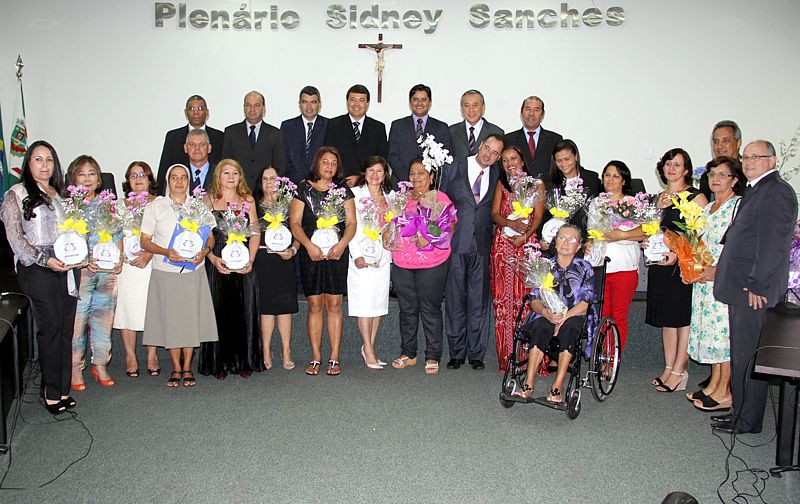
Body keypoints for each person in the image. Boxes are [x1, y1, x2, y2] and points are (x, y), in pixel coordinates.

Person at [713, 141, 797, 434]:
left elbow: (773, 246)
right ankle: (740, 412)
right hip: (742, 288)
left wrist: (757, 285)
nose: (748, 161)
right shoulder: (757, 190)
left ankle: (748, 421)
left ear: (772, 160)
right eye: (745, 157)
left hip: (753, 292)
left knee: (749, 356)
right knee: (742, 355)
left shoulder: (777, 193)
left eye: (755, 157)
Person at [0, 141, 78, 413]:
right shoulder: (17, 193)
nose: (45, 165)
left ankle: (62, 388)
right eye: (38, 159)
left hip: (66, 267)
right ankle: (51, 392)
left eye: (49, 160)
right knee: (51, 328)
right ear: (28, 163)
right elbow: (15, 238)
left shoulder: (60, 195)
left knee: (66, 329)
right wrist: (45, 260)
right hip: (36, 267)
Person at [140, 164, 218, 387]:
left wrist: (204, 252)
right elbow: (144, 240)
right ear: (168, 180)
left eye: (183, 177)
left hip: (193, 270)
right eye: (174, 177)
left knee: (190, 320)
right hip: (166, 270)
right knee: (173, 321)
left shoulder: (198, 206)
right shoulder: (156, 206)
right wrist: (166, 252)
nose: (179, 181)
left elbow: (210, 238)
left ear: (189, 181)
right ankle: (175, 368)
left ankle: (187, 368)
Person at [289, 147, 356, 376]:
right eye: (325, 162)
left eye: (334, 163)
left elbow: (352, 224)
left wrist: (341, 245)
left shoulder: (343, 190)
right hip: (312, 254)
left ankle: (334, 357)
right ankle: (316, 356)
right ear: (317, 163)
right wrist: (309, 246)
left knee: (335, 306)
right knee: (316, 305)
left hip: (337, 254)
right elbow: (295, 224)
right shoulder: (303, 188)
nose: (329, 167)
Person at [646, 148, 708, 393]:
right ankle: (668, 366)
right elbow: (651, 229)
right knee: (667, 321)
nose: (671, 168)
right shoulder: (659, 197)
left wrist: (677, 253)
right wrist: (648, 241)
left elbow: (701, 238)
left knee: (682, 320)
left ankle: (680, 370)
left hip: (682, 266)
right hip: (660, 265)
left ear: (687, 170)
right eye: (668, 163)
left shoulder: (696, 197)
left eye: (677, 164)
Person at [440, 134, 504, 371]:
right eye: (487, 148)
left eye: (495, 152)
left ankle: (476, 353)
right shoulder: (453, 166)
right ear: (480, 145)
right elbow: (440, 201)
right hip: (456, 244)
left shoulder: (498, 174)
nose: (489, 154)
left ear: (498, 157)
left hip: (483, 246)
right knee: (455, 300)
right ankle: (456, 353)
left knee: (479, 301)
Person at [685, 157, 743, 412]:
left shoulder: (737, 207)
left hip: (722, 279)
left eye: (723, 174)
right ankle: (714, 384)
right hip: (703, 280)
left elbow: (739, 249)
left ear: (735, 180)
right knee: (711, 334)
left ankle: (725, 391)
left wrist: (717, 272)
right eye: (712, 174)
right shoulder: (708, 208)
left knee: (724, 336)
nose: (716, 179)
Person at [513, 225, 595, 403]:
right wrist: (545, 312)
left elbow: (586, 302)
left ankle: (558, 385)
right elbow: (534, 299)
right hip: (547, 314)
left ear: (579, 246)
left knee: (570, 329)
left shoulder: (585, 268)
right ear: (555, 243)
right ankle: (529, 382)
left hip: (574, 315)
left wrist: (563, 318)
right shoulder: (544, 266)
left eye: (572, 239)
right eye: (562, 238)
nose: (566, 242)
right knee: (541, 327)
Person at [390, 158, 456, 375]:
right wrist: (386, 234)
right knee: (407, 310)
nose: (416, 177)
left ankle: (433, 355)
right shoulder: (400, 199)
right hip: (402, 262)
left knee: (430, 309)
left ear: (431, 176)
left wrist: (430, 238)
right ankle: (408, 353)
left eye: (421, 173)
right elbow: (391, 223)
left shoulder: (439, 198)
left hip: (431, 262)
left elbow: (450, 226)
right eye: (412, 173)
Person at [199, 159, 262, 379]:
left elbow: (254, 232)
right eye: (226, 173)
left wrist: (251, 259)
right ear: (218, 176)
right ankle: (220, 362)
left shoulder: (248, 200)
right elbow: (202, 235)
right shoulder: (207, 200)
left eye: (235, 173)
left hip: (243, 261)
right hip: (218, 262)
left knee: (243, 312)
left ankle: (243, 361)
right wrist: (213, 258)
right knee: (219, 312)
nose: (231, 177)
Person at [67, 155, 122, 390]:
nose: (87, 179)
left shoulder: (108, 205)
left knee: (103, 320)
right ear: (73, 179)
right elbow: (64, 243)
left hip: (107, 273)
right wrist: (82, 260)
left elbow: (118, 235)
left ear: (99, 179)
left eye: (92, 174)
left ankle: (100, 364)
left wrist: (119, 259)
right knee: (78, 323)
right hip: (82, 272)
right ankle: (75, 368)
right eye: (82, 174)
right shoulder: (69, 207)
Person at [490, 145, 544, 372]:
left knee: (528, 302)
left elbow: (539, 215)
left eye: (513, 158)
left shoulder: (537, 184)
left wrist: (525, 236)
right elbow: (494, 214)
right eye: (504, 160)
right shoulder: (502, 184)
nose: (509, 163)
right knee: (504, 303)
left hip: (527, 247)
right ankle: (508, 357)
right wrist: (510, 223)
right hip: (503, 248)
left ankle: (530, 359)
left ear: (522, 160)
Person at [591, 161, 645, 352]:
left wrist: (620, 235)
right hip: (601, 267)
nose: (610, 179)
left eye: (615, 176)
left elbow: (645, 233)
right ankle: (602, 356)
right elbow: (593, 233)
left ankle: (612, 360)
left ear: (623, 180)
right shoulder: (597, 203)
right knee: (602, 314)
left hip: (625, 269)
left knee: (618, 316)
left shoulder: (633, 203)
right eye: (607, 175)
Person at [113, 161, 159, 377]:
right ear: (127, 181)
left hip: (152, 263)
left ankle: (152, 354)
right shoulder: (118, 206)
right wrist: (121, 255)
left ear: (150, 179)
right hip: (127, 266)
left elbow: (166, 235)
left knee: (153, 309)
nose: (138, 179)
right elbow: (112, 235)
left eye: (143, 175)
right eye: (133, 175)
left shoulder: (160, 204)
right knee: (126, 309)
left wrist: (149, 253)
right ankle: (130, 355)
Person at [348, 156, 392, 369]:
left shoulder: (391, 197)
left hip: (382, 258)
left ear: (385, 174)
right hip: (361, 257)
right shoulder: (355, 195)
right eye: (371, 170)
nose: (375, 175)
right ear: (364, 172)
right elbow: (351, 227)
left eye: (380, 171)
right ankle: (369, 348)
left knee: (378, 304)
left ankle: (369, 347)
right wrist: (356, 254)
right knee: (365, 304)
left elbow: (393, 227)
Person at [253, 166, 299, 370]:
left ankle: (286, 350)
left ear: (281, 182)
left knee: (284, 308)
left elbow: (298, 233)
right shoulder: (253, 205)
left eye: (273, 178)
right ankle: (266, 349)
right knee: (266, 308)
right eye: (265, 178)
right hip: (262, 261)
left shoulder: (289, 205)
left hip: (284, 261)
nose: (269, 182)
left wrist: (294, 250)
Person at [156, 94, 224, 195]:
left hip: (213, 192)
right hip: (181, 193)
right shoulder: (173, 136)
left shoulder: (219, 136)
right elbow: (164, 169)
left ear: (207, 112)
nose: (196, 112)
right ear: (186, 112)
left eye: (200, 108)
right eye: (192, 108)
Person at [387, 84, 452, 187]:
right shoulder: (397, 125)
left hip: (431, 186)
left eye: (424, 99)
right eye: (415, 99)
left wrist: (428, 179)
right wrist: (410, 177)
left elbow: (446, 158)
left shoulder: (441, 127)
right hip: (402, 184)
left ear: (430, 102)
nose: (419, 103)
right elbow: (392, 156)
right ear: (410, 102)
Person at [221, 90, 287, 191]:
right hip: (238, 191)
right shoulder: (231, 132)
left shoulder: (275, 134)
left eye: (257, 105)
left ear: (263, 108)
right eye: (248, 105)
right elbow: (225, 164)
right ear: (244, 108)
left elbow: (279, 167)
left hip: (265, 193)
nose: (252, 109)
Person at [324, 84, 388, 186]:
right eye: (353, 99)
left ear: (367, 103)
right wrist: (343, 180)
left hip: (369, 185)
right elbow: (329, 156)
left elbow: (382, 161)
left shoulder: (378, 128)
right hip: (340, 184)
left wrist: (361, 178)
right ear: (347, 102)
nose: (356, 104)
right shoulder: (334, 125)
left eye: (361, 100)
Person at [503, 96, 563, 181]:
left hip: (548, 191)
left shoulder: (555, 139)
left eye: (536, 110)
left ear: (542, 115)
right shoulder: (508, 139)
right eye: (528, 109)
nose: (531, 114)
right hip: (518, 192)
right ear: (521, 113)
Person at [280, 86, 328, 185]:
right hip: (293, 184)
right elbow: (283, 158)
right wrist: (298, 180)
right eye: (305, 102)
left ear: (320, 104)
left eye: (313, 102)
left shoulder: (329, 125)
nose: (309, 107)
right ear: (299, 104)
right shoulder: (287, 127)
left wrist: (317, 181)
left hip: (321, 184)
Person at [448, 89, 504, 159]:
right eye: (466, 105)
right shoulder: (451, 131)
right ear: (461, 109)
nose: (471, 110)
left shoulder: (497, 132)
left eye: (475, 105)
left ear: (483, 108)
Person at [698, 120, 742, 200]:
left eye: (726, 141)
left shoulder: (746, 174)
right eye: (716, 142)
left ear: (738, 143)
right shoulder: (706, 176)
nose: (719, 146)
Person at [184, 128, 216, 193]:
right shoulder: (178, 174)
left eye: (202, 144)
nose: (197, 148)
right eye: (192, 144)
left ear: (209, 148)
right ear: (185, 148)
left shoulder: (219, 173)